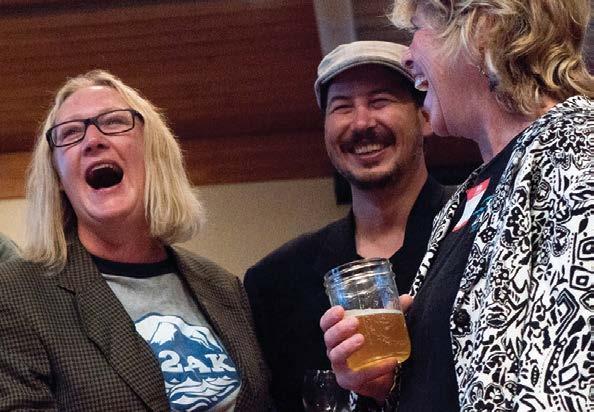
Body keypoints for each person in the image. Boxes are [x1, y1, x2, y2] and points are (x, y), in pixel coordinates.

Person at [321, 0, 593, 410]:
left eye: (418, 29)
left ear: (482, 30)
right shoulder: (470, 196)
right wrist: (386, 387)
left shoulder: (578, 155)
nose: (408, 56)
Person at [0, 70, 272, 411]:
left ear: (152, 152)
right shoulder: (15, 293)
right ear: (57, 177)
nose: (92, 140)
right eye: (69, 133)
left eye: (114, 122)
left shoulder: (223, 287)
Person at [244, 41, 451, 410]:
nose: (361, 123)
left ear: (425, 117)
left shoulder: (476, 233)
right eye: (342, 107)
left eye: (380, 101)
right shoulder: (275, 281)